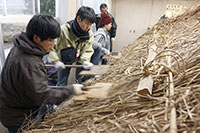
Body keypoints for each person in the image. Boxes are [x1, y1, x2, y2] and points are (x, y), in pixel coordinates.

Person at [0, 14, 83, 133]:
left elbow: (35, 88)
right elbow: (41, 95)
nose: (53, 44)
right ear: (36, 38)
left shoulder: (20, 48)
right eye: (50, 40)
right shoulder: (29, 62)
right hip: (19, 117)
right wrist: (71, 90)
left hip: (14, 107)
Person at [48, 6, 96, 86]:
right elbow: (50, 47)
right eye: (87, 23)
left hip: (78, 56)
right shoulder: (63, 30)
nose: (88, 27)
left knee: (80, 80)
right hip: (63, 60)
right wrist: (56, 61)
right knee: (62, 83)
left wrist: (85, 60)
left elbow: (87, 49)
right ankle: (59, 97)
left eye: (90, 24)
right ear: (78, 19)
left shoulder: (89, 34)